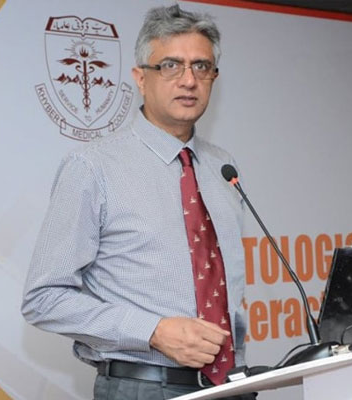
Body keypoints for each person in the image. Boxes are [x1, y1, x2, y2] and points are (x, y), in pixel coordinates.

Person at [22, 5, 255, 399]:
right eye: (170, 66)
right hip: (142, 387)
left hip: (230, 385)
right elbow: (43, 299)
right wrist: (153, 331)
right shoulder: (93, 167)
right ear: (140, 78)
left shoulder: (222, 167)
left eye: (201, 66)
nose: (189, 80)